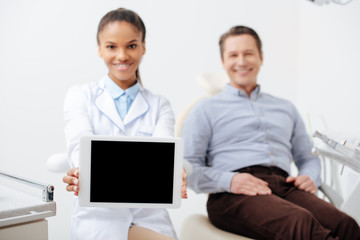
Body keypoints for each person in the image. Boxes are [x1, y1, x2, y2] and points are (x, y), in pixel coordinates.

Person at [182, 25, 360, 240]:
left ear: (261, 57)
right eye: (233, 55)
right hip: (232, 194)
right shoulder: (205, 110)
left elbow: (307, 157)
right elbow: (189, 170)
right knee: (298, 222)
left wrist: (309, 176)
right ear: (223, 61)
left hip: (284, 187)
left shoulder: (285, 108)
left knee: (346, 224)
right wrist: (231, 180)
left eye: (248, 53)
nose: (241, 61)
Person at [62, 8, 188, 240]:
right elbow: (81, 154)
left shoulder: (160, 105)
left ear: (143, 47)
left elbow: (164, 160)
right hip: (98, 218)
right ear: (100, 49)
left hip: (149, 216)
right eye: (111, 46)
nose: (122, 55)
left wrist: (173, 172)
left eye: (131, 45)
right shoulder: (79, 96)